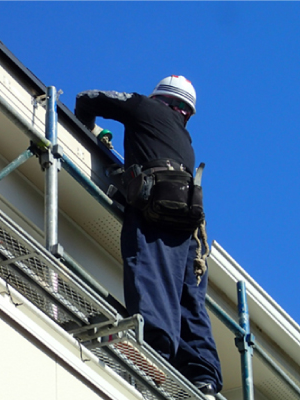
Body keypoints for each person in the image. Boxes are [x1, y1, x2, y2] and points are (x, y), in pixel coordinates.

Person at [75, 75, 223, 398]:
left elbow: (87, 98)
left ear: (159, 97)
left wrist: (92, 129)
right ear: (187, 112)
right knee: (188, 295)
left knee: (151, 272)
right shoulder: (186, 142)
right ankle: (204, 377)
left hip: (154, 204)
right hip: (189, 218)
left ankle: (153, 351)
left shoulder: (142, 107)